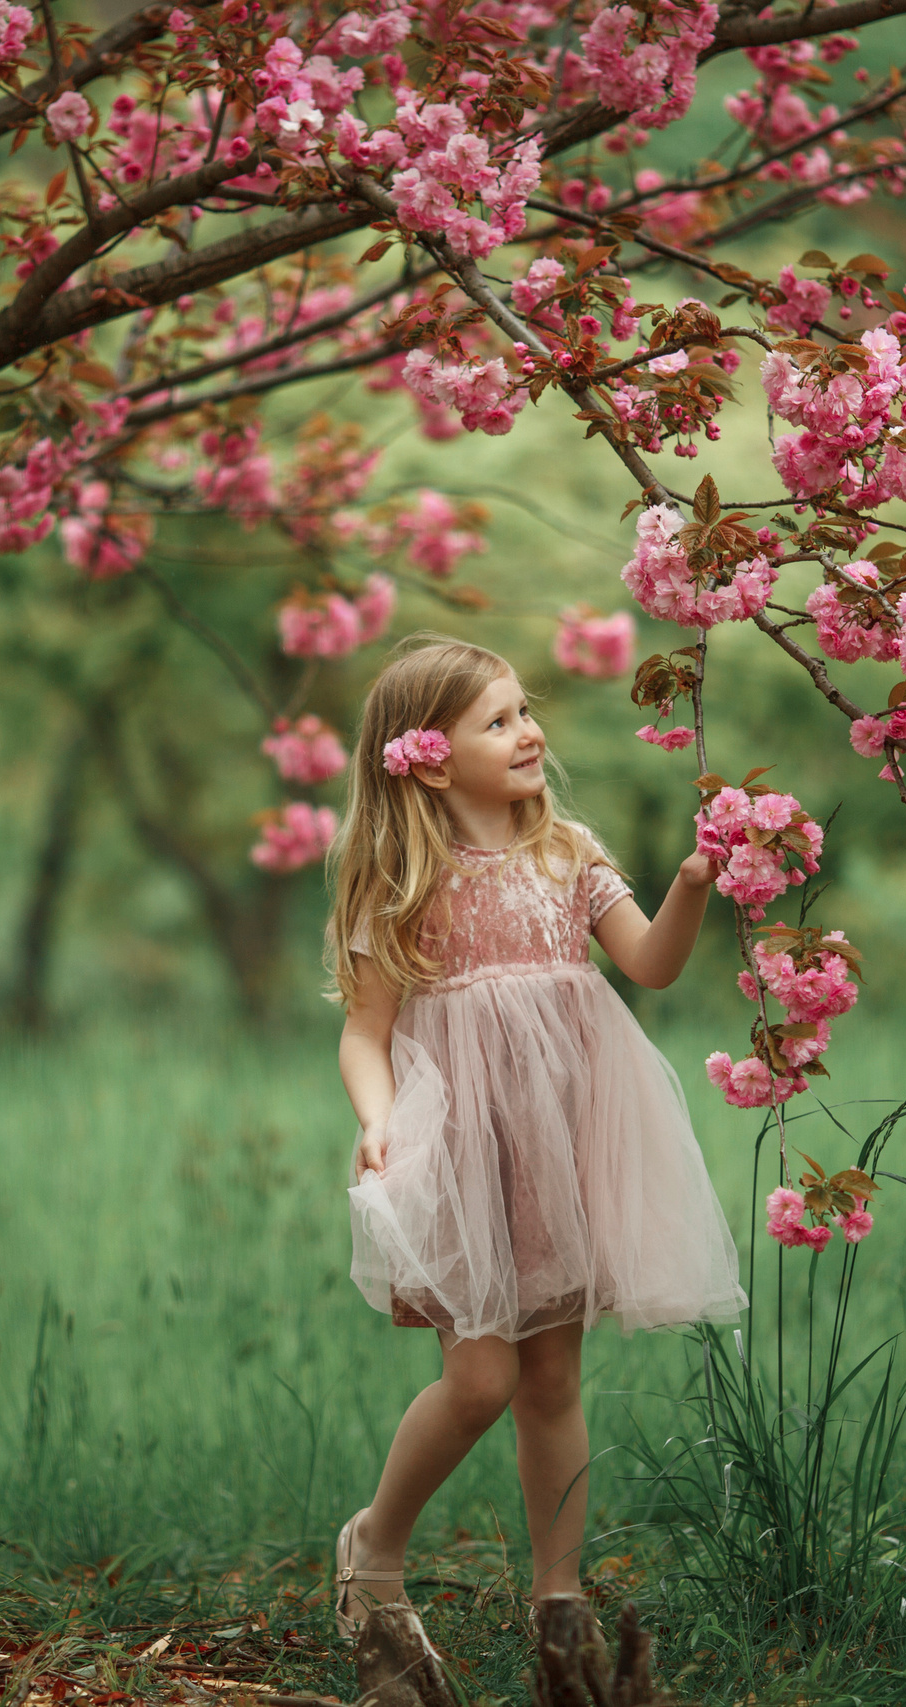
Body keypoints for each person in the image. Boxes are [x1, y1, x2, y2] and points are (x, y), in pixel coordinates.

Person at [326, 635, 746, 1646]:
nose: (528, 733)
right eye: (500, 720)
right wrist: (379, 1123)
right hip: (463, 1152)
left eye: (525, 711)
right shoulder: (404, 880)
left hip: (564, 1143)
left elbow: (648, 966)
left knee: (553, 1379)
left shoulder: (568, 856)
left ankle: (558, 1602)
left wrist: (691, 882)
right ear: (427, 756)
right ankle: (373, 1553)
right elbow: (364, 1032)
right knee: (480, 1379)